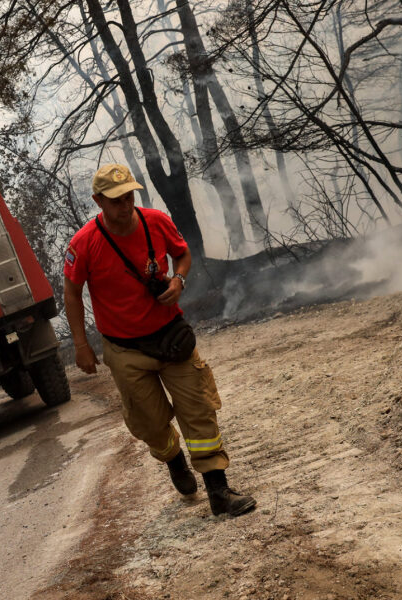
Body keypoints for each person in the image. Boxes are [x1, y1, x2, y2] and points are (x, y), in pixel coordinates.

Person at [62, 163, 256, 517]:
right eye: (116, 199)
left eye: (129, 196)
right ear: (98, 201)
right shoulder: (84, 243)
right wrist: (80, 345)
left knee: (198, 409)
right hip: (124, 348)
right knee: (149, 422)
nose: (125, 205)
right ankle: (173, 459)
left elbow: (182, 253)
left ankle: (219, 491)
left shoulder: (156, 221)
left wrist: (178, 280)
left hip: (171, 336)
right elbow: (72, 293)